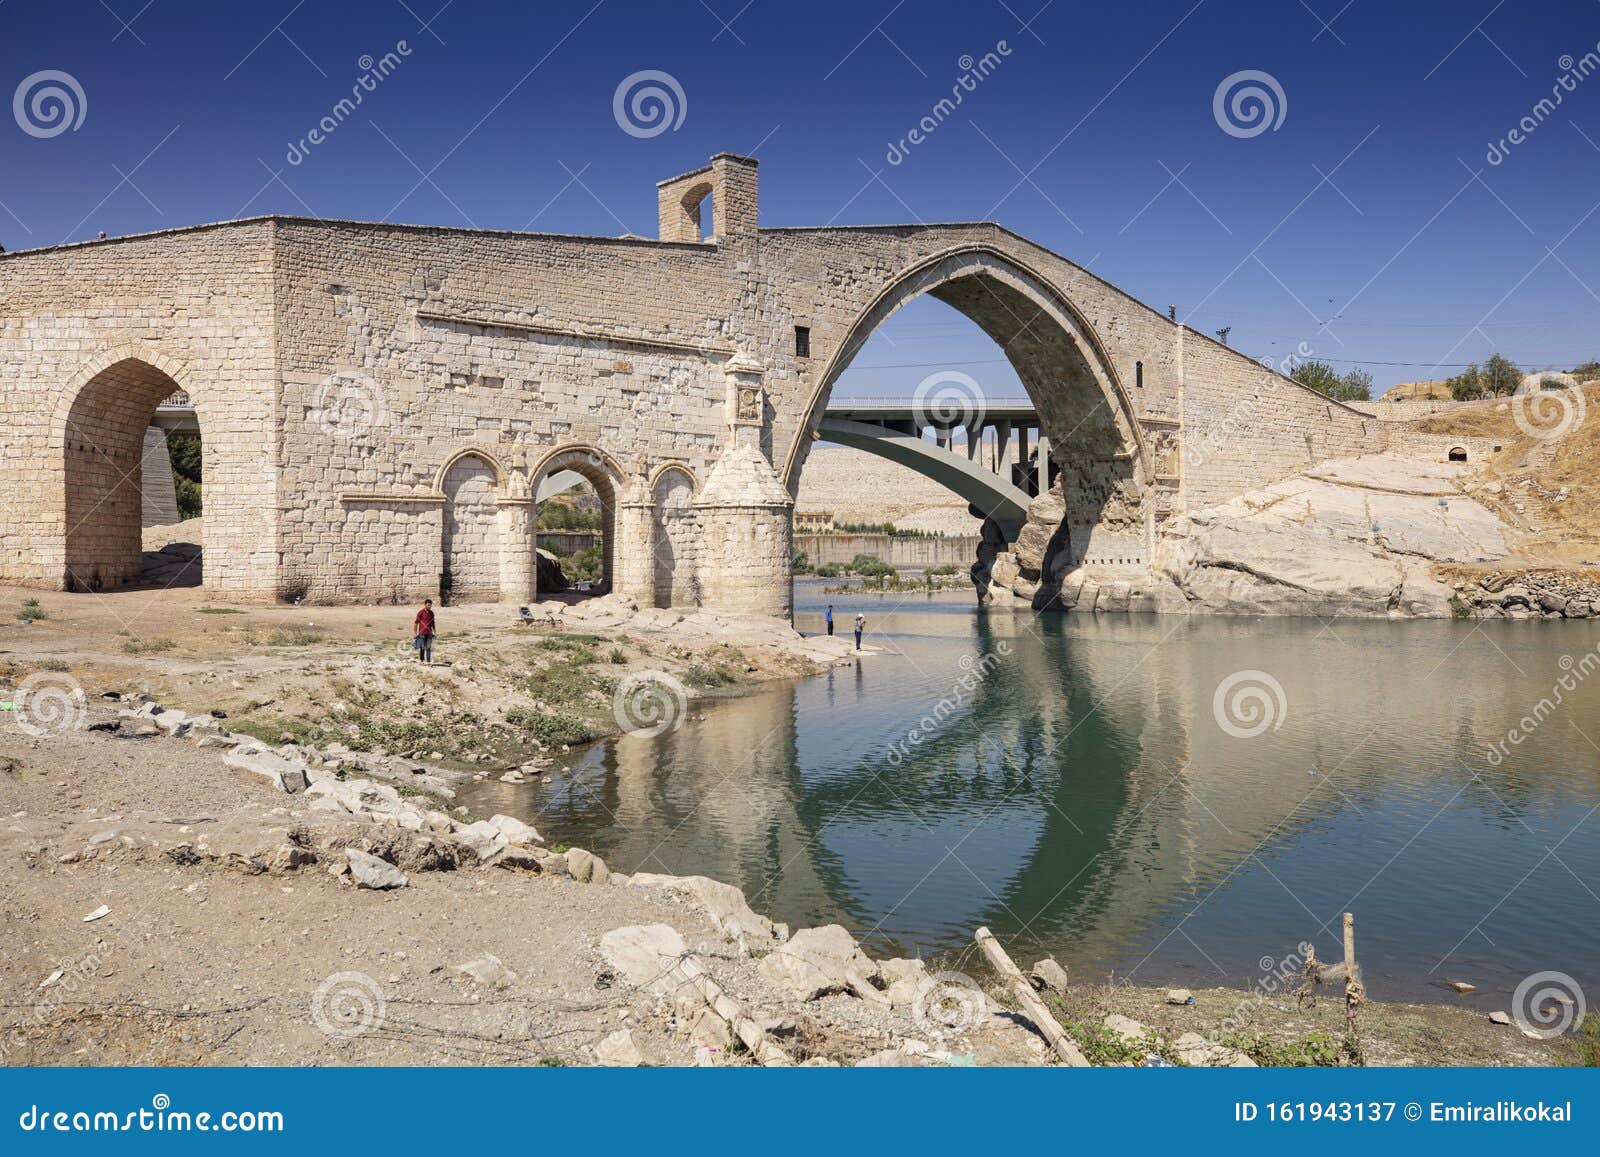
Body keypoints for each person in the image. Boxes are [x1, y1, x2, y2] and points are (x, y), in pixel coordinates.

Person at [413, 598, 436, 662]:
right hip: (422, 633)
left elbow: (433, 623)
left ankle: (428, 662)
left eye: (430, 605)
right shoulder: (421, 612)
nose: (429, 606)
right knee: (422, 648)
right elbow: (415, 623)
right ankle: (422, 660)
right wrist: (415, 633)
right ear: (425, 605)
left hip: (429, 633)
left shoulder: (431, 613)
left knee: (428, 648)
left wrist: (434, 632)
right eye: (428, 605)